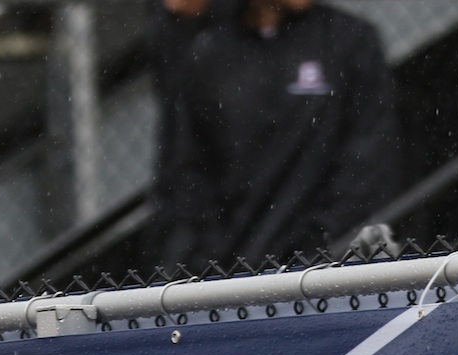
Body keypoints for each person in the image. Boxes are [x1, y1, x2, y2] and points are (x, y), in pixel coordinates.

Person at [155, 0, 401, 268]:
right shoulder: (208, 52)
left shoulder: (348, 40)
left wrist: (315, 245)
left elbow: (367, 162)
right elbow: (187, 173)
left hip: (322, 268)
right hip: (229, 272)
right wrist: (210, 257)